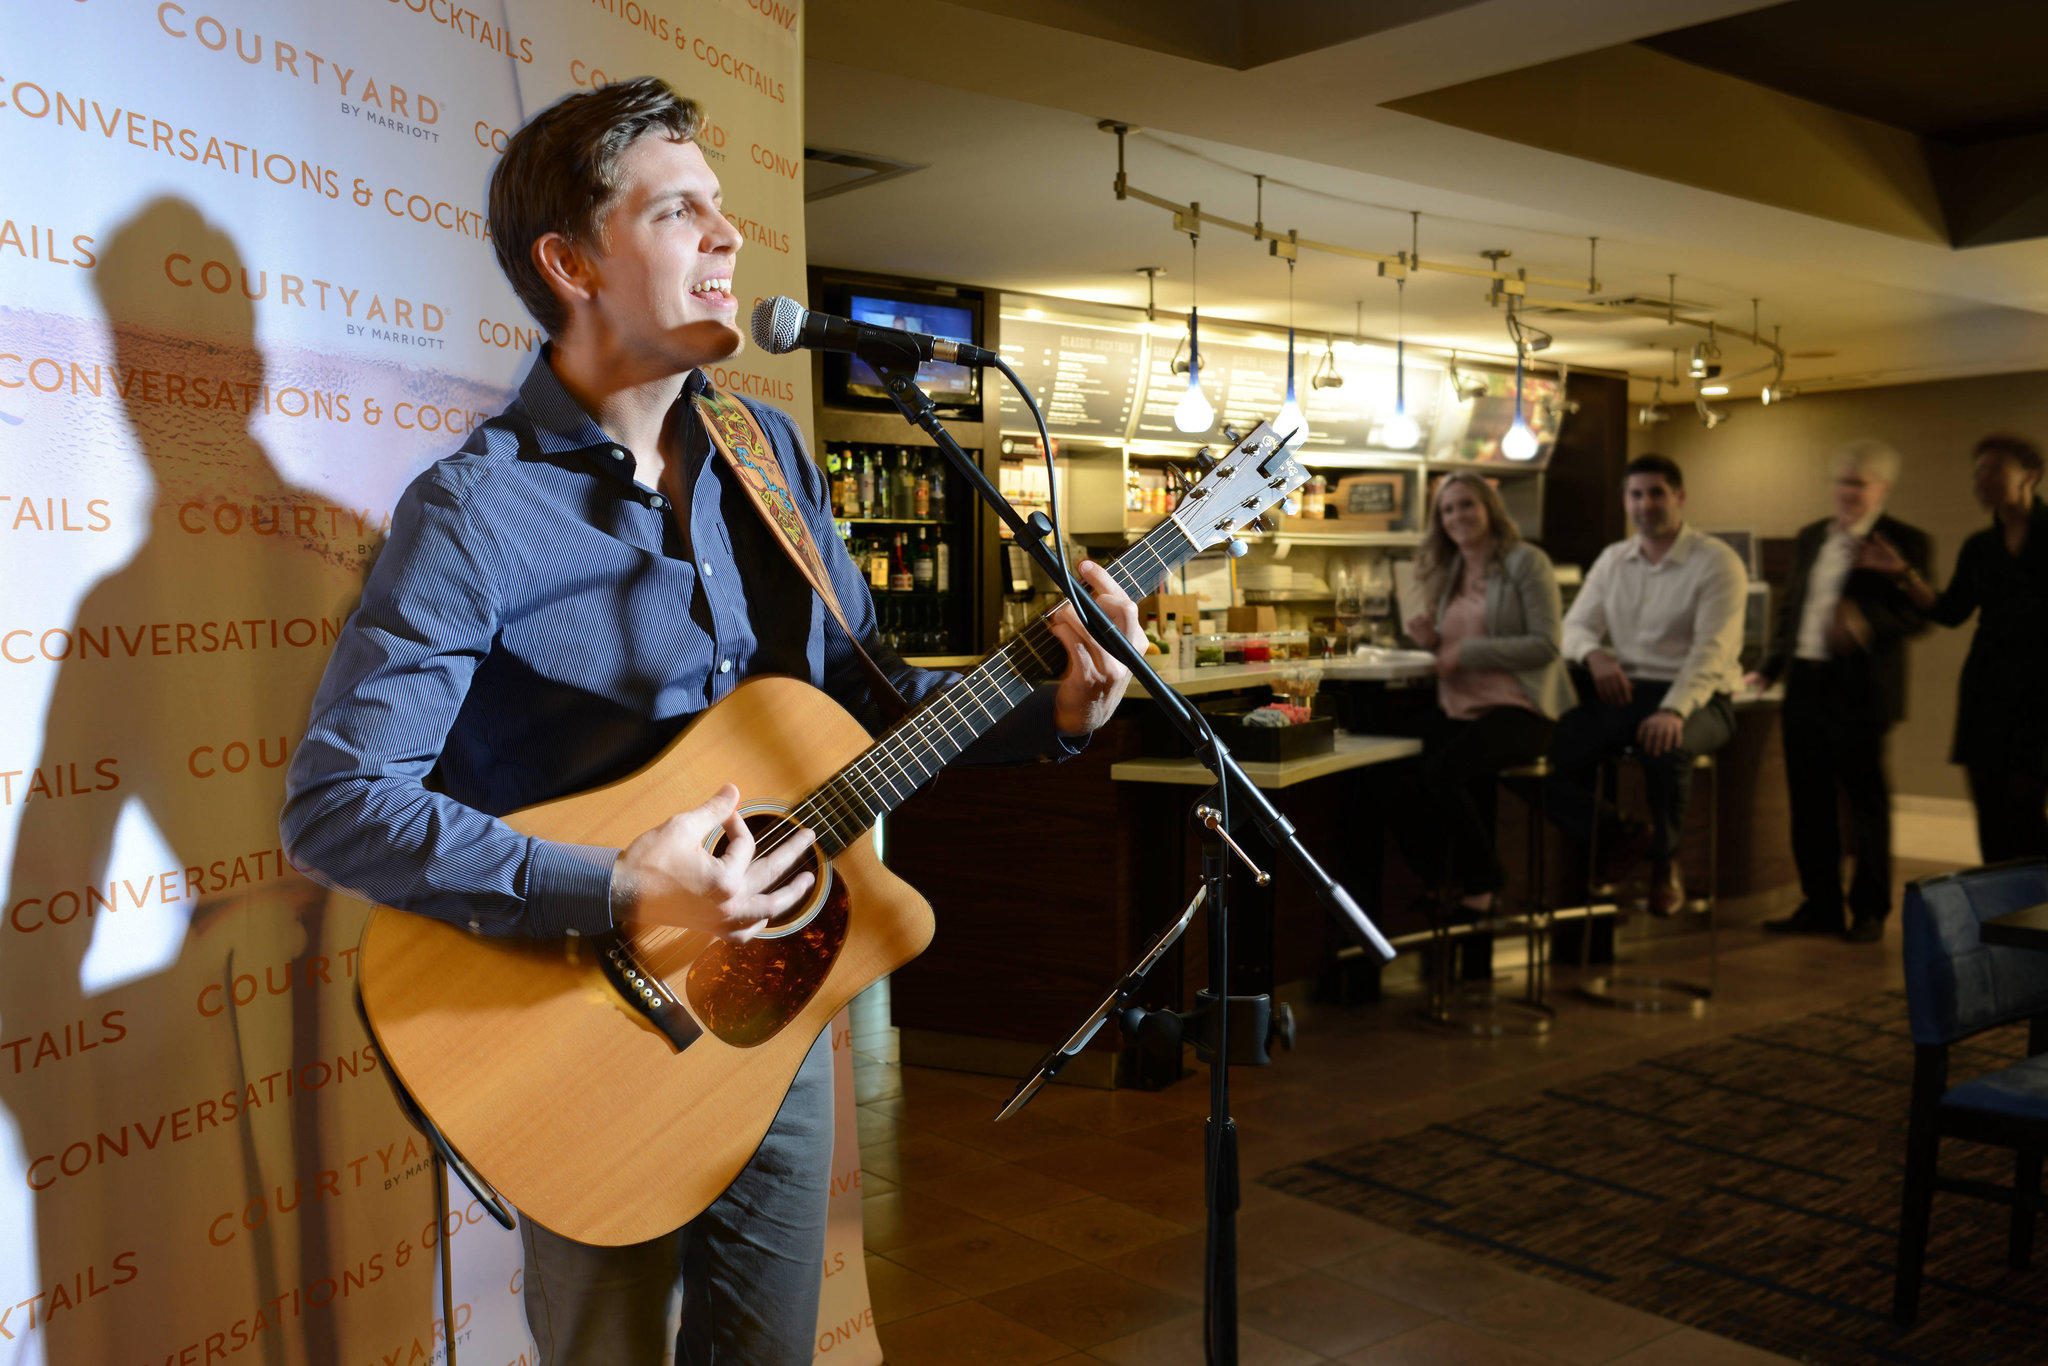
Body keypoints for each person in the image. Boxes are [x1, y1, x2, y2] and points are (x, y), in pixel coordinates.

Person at [279, 78, 1142, 1365]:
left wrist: (1055, 707)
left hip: (773, 1017)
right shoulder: (471, 512)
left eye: (722, 209)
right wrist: (611, 884)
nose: (729, 238)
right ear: (569, 263)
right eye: (680, 211)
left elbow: (867, 712)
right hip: (584, 1037)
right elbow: (336, 804)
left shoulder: (768, 456)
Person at [1547, 454, 1747, 915]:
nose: (1645, 504)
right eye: (1636, 495)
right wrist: (1594, 655)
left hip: (1703, 697)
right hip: (1630, 692)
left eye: (1656, 493)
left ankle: (1665, 861)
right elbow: (1572, 628)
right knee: (1547, 752)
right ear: (1625, 501)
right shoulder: (1613, 560)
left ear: (1680, 497)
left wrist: (1674, 710)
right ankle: (1618, 835)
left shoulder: (1717, 561)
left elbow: (1712, 652)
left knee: (1665, 744)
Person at [1747, 441, 1929, 943]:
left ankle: (1869, 910)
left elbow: (1922, 613)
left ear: (1882, 490)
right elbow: (1791, 610)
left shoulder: (1905, 542)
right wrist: (1768, 668)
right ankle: (1819, 904)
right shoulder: (1810, 537)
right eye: (1841, 482)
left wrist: (1867, 624)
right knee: (1809, 801)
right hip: (1805, 682)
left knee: (1865, 804)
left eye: (1858, 483)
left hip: (1862, 689)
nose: (1847, 492)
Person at [1400, 475, 1572, 948]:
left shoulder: (1525, 561)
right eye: (1447, 510)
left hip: (1523, 708)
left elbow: (1546, 644)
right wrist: (1432, 641)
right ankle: (1441, 880)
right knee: (1395, 770)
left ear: (1490, 507)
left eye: (1466, 506)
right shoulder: (1452, 569)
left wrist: (1465, 653)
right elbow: (1455, 645)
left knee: (1442, 773)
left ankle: (1484, 883)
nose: (1457, 517)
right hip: (1462, 706)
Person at [1861, 434, 2048, 864]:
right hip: (1987, 689)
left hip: (2039, 695)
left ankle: (2035, 916)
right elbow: (1950, 612)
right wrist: (1903, 573)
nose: (1981, 479)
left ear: (2031, 476)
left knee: (2027, 810)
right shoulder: (1979, 546)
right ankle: (1999, 915)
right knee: (1989, 810)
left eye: (1994, 469)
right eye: (1977, 471)